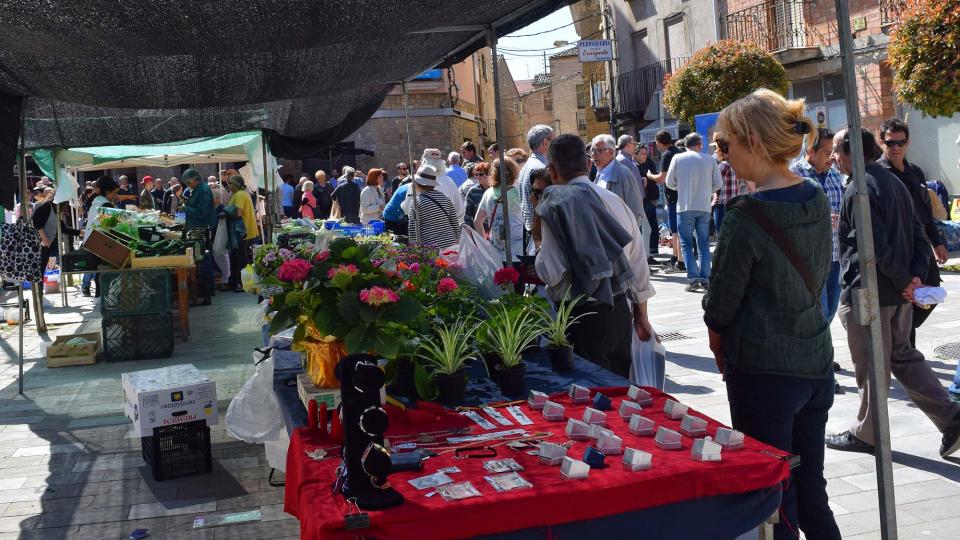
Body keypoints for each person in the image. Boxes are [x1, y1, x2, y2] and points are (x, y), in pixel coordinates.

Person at [703, 89, 841, 540]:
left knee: (772, 493)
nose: (723, 156)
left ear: (754, 143)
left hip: (764, 371)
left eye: (726, 145)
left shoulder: (747, 216)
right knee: (811, 487)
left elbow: (720, 304)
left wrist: (718, 337)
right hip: (814, 362)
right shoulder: (816, 196)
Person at [824, 126, 960, 460]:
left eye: (837, 151)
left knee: (873, 362)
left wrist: (906, 281)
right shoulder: (890, 181)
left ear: (852, 151)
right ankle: (952, 418)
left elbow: (875, 248)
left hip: (872, 294)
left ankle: (867, 433)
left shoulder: (863, 187)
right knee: (902, 355)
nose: (833, 158)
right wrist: (911, 279)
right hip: (895, 293)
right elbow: (915, 235)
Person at [534, 134, 654, 378]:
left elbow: (553, 272)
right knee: (620, 390)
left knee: (591, 401)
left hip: (581, 317)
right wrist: (641, 316)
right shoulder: (615, 201)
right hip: (619, 311)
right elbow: (638, 262)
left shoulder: (557, 206)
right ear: (588, 165)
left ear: (552, 171)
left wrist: (538, 246)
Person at [877, 118, 948, 347]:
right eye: (890, 143)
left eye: (901, 142)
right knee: (906, 299)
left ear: (908, 143)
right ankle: (907, 349)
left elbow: (925, 212)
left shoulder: (915, 172)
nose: (896, 147)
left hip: (919, 246)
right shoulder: (880, 175)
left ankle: (906, 339)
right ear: (882, 143)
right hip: (897, 247)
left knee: (931, 287)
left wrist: (937, 242)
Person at [789, 128, 843, 322]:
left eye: (834, 152)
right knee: (818, 315)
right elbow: (786, 218)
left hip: (836, 256)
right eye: (828, 153)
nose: (833, 158)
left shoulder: (836, 175)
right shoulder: (793, 176)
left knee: (828, 314)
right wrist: (816, 220)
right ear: (811, 151)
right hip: (810, 259)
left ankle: (818, 349)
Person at [666, 132, 722, 292]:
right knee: (703, 245)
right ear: (700, 145)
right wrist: (705, 190)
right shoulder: (710, 159)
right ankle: (705, 279)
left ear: (685, 145)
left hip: (684, 206)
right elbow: (718, 184)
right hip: (704, 207)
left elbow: (670, 183)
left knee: (686, 244)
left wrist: (683, 188)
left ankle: (693, 280)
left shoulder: (677, 158)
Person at [645, 131, 686, 272]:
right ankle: (676, 258)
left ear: (658, 142)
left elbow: (662, 178)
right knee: (679, 230)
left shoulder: (667, 155)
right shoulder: (681, 151)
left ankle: (680, 262)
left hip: (673, 196)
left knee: (675, 231)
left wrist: (650, 175)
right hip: (685, 194)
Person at [593, 134, 646, 239]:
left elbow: (636, 209)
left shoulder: (624, 174)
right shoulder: (599, 173)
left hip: (620, 239)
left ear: (611, 152)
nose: (594, 155)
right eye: (592, 151)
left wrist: (624, 237)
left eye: (598, 151)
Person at [474, 158, 523, 262]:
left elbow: (477, 221)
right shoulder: (519, 191)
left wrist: (484, 246)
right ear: (513, 171)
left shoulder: (488, 193)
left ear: (494, 173)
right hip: (519, 252)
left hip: (495, 253)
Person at [81, 176, 119, 297]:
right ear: (107, 192)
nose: (115, 195)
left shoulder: (97, 201)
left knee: (99, 272)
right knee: (102, 272)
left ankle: (100, 297)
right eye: (114, 192)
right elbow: (113, 227)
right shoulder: (105, 204)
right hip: (97, 243)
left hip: (92, 242)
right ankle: (101, 298)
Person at [518, 125, 555, 247]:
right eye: (554, 140)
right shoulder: (540, 168)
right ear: (545, 143)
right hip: (539, 234)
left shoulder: (529, 165)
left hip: (531, 232)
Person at [409, 165, 461, 250]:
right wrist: (457, 239)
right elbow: (454, 222)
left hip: (431, 247)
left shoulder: (416, 202)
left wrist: (413, 249)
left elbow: (413, 229)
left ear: (418, 184)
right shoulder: (445, 198)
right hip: (450, 244)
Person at [406, 148, 465, 222]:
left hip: (425, 229)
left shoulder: (418, 182)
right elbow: (460, 209)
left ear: (424, 162)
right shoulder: (449, 181)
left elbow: (407, 209)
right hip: (448, 229)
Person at [226, 175, 259, 292]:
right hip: (245, 230)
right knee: (235, 258)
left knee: (242, 259)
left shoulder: (239, 195)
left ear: (237, 185)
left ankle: (248, 284)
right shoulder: (241, 194)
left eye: (231, 184)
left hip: (242, 232)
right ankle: (233, 282)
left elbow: (238, 214)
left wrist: (225, 214)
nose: (229, 185)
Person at [636, 144, 661, 262]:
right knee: (645, 230)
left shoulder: (644, 164)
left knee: (650, 228)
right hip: (643, 200)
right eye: (642, 153)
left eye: (646, 153)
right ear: (635, 154)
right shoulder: (635, 166)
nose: (645, 156)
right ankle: (645, 257)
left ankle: (649, 254)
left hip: (649, 199)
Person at [464, 162, 491, 229]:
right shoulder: (473, 191)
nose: (477, 177)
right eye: (476, 175)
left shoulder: (497, 190)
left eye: (481, 174)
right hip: (479, 233)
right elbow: (467, 216)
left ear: (489, 174)